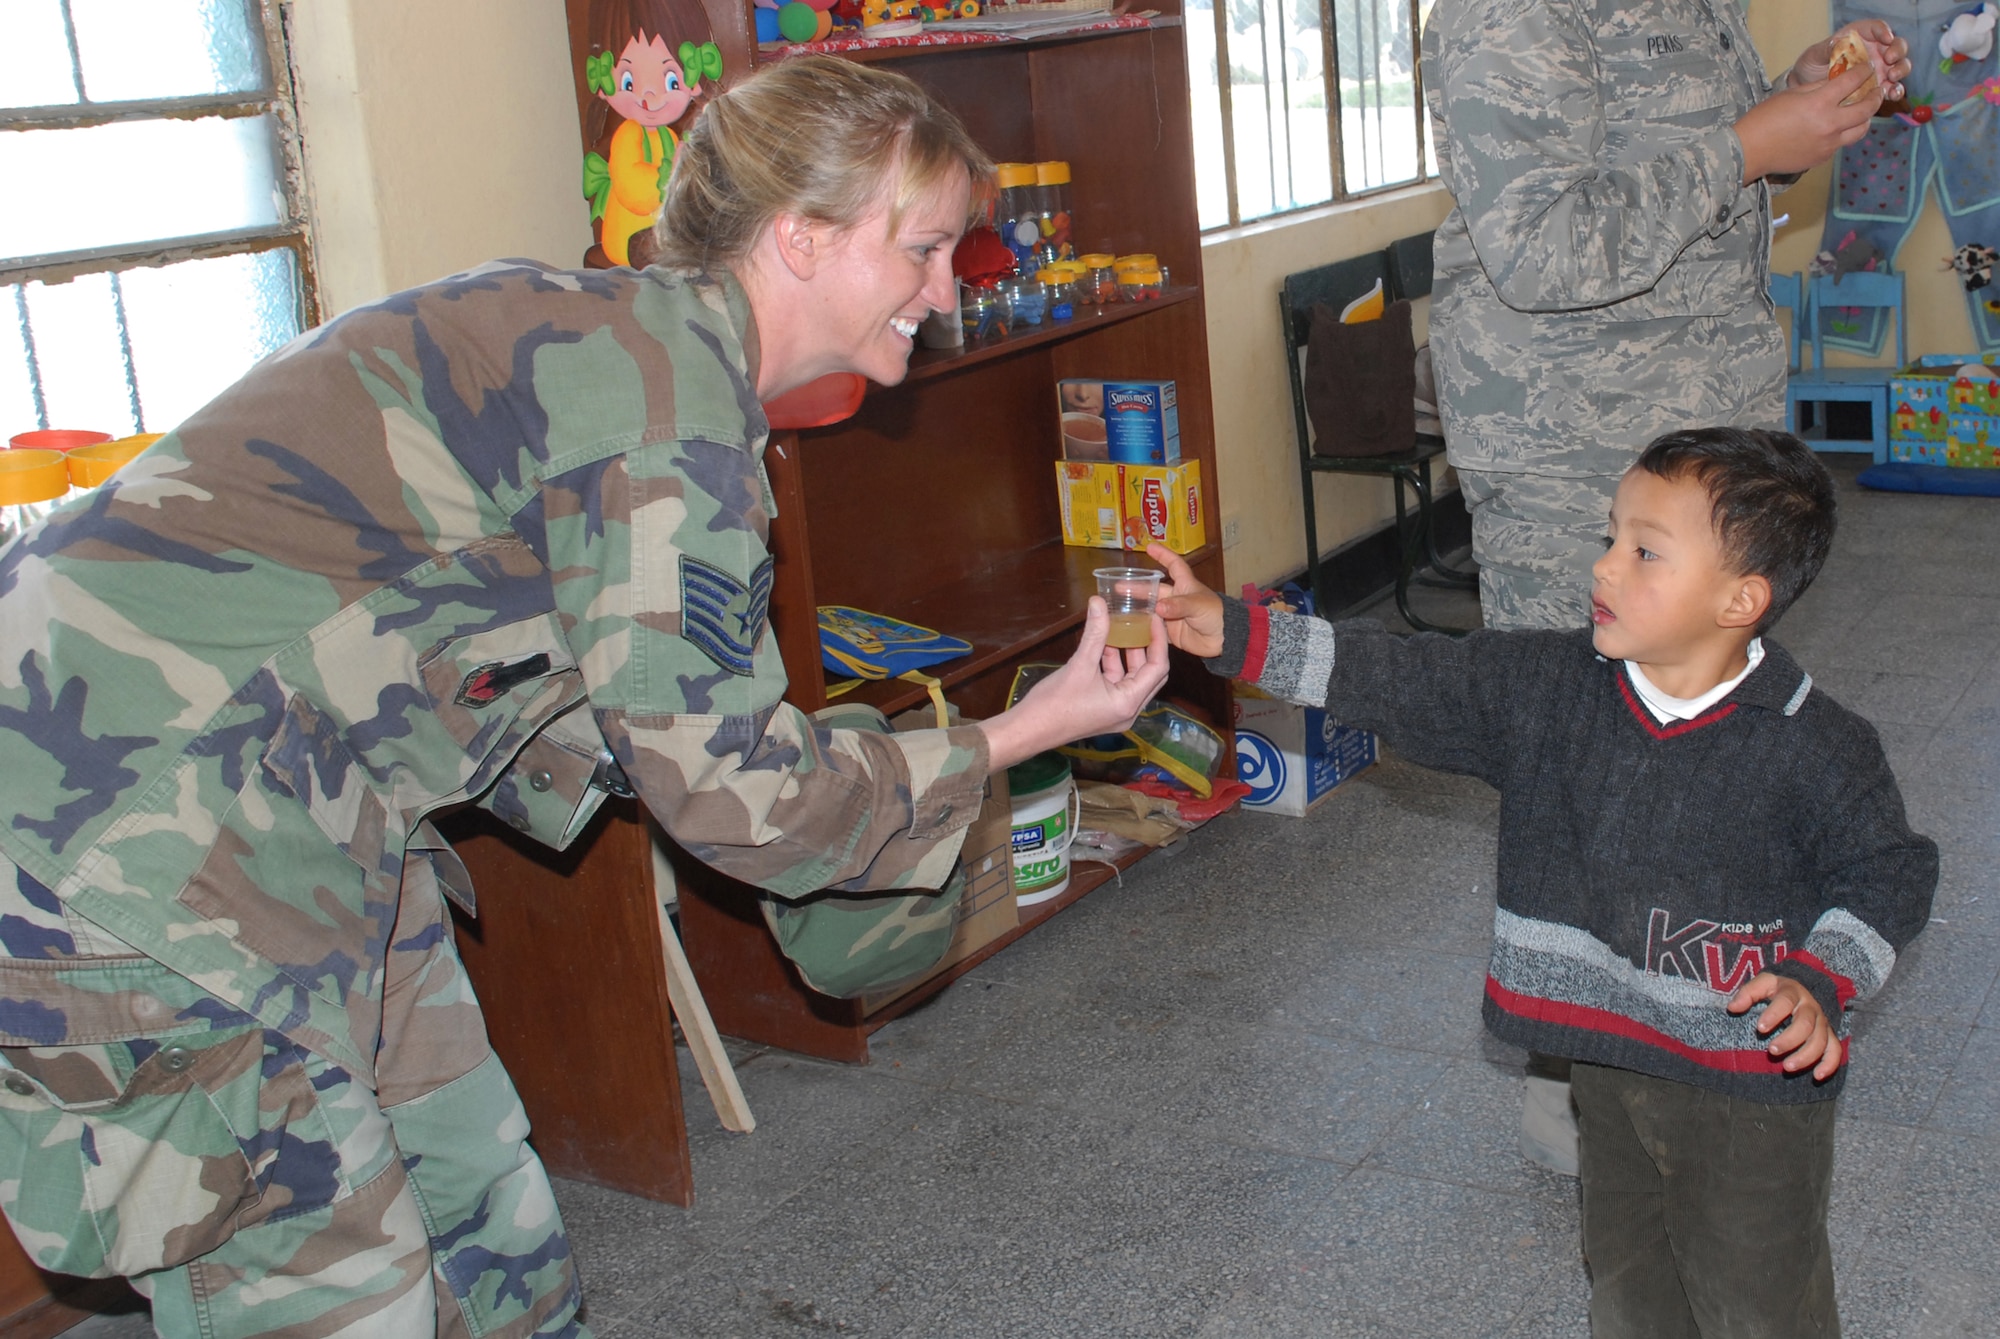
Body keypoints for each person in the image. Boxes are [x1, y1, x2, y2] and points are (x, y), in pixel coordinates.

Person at [0, 56, 1168, 1338]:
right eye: (925, 250)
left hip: (295, 808)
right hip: (121, 846)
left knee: (479, 1204)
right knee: (327, 1286)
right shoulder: (664, 415)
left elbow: (559, 675)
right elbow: (743, 800)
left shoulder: (628, 344)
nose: (945, 293)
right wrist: (1031, 723)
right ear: (800, 238)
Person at [1150, 427, 1937, 1337]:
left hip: (1746, 1086)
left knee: (1757, 1298)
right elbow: (1407, 677)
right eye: (1610, 537)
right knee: (1630, 1274)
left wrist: (1817, 979)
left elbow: (1891, 870)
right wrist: (1240, 636)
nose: (1603, 568)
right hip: (1607, 1054)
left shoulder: (1819, 745)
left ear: (1741, 599)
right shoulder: (1551, 688)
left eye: (1643, 552)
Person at [1421, 0, 1913, 1170]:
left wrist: (1789, 114)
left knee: (1699, 760)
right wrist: (1748, 142)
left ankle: (1675, 1035)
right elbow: (1538, 247)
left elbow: (1677, 186)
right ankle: (1575, 1086)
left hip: (1695, 444)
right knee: (1584, 778)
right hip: (1575, 461)